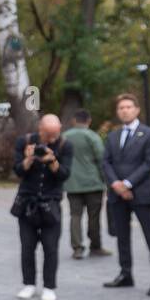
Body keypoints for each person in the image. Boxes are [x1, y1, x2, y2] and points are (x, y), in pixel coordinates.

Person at [102, 92, 150, 295]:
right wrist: (116, 184)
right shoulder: (112, 135)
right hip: (117, 195)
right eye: (121, 108)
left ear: (137, 110)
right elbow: (106, 162)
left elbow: (149, 163)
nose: (125, 110)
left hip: (141, 193)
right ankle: (125, 274)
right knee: (122, 236)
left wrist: (128, 184)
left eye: (129, 107)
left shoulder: (149, 134)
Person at [12, 114, 72, 300]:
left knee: (51, 247)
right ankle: (28, 284)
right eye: (49, 134)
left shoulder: (65, 145)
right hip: (27, 202)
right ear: (40, 129)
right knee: (27, 247)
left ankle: (49, 286)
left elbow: (64, 175)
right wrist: (29, 159)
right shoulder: (25, 141)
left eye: (56, 133)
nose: (52, 138)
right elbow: (17, 170)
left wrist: (52, 161)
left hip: (51, 203)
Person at [64, 109, 109, 259]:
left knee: (75, 216)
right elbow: (101, 159)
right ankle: (95, 246)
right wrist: (106, 181)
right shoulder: (92, 136)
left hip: (72, 184)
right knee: (94, 217)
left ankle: (77, 248)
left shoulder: (65, 137)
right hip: (93, 183)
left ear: (74, 121)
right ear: (89, 121)